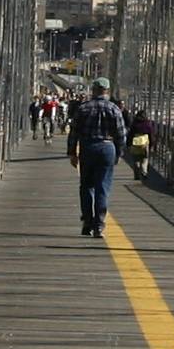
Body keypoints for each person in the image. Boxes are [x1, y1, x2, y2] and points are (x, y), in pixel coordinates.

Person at [69, 80, 129, 236]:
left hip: (88, 147)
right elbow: (121, 134)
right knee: (103, 187)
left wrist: (72, 153)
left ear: (94, 90)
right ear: (107, 91)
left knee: (86, 186)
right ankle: (99, 224)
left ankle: (87, 222)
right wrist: (119, 153)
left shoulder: (83, 108)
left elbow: (74, 132)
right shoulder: (114, 109)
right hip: (107, 147)